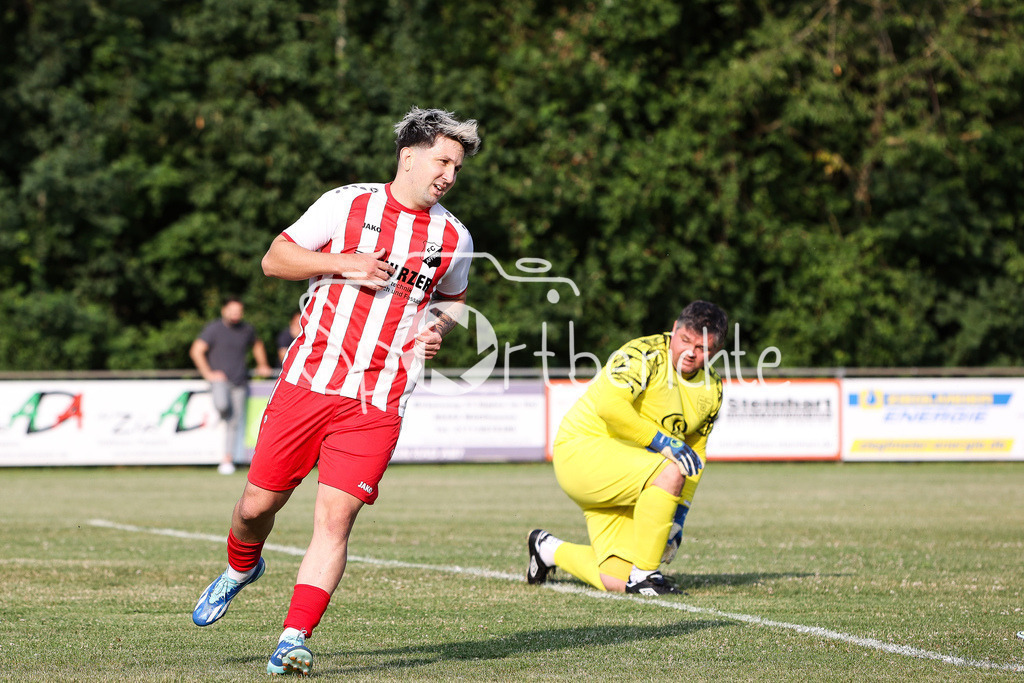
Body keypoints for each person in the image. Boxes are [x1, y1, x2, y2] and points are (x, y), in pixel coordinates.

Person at [191, 107, 481, 676]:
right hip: (309, 382)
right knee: (256, 506)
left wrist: (436, 329)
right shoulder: (348, 203)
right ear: (409, 156)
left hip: (378, 398)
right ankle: (241, 566)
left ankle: (292, 638)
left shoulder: (454, 235)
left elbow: (454, 300)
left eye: (457, 166)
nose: (449, 173)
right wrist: (342, 263)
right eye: (443, 160)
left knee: (334, 520)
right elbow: (275, 260)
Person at [527, 300, 727, 596]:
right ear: (674, 330)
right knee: (670, 472)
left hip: (630, 475)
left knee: (618, 579)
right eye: (685, 341)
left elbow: (694, 451)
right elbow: (610, 406)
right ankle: (647, 575)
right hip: (581, 453)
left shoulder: (712, 388)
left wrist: (679, 517)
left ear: (716, 352)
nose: (690, 353)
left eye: (702, 349)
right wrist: (664, 443)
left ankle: (547, 549)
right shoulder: (641, 354)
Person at [190, 297, 273, 475]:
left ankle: (227, 459)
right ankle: (219, 415)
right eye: (232, 310)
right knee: (222, 406)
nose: (236, 314)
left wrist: (262, 364)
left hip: (240, 381)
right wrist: (209, 374)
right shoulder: (214, 329)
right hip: (220, 381)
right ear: (224, 310)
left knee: (234, 422)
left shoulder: (247, 329)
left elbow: (257, 345)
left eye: (239, 311)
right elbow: (196, 350)